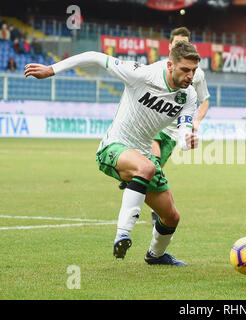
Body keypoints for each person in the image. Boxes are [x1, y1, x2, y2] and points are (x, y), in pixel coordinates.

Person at [24, 41, 201, 266]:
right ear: (170, 65)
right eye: (185, 70)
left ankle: (155, 256)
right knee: (146, 167)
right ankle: (122, 235)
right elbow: (96, 56)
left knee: (171, 217)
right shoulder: (142, 74)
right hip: (114, 147)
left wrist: (190, 140)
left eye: (193, 71)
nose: (190, 75)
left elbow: (183, 134)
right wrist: (52, 69)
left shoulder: (189, 96)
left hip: (143, 153)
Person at [118, 27, 210, 226]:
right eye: (177, 43)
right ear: (170, 47)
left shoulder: (198, 75)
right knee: (152, 159)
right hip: (155, 123)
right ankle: (133, 179)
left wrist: (195, 121)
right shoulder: (158, 69)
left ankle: (144, 193)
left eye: (184, 43)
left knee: (155, 169)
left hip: (174, 129)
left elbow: (204, 101)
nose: (180, 46)